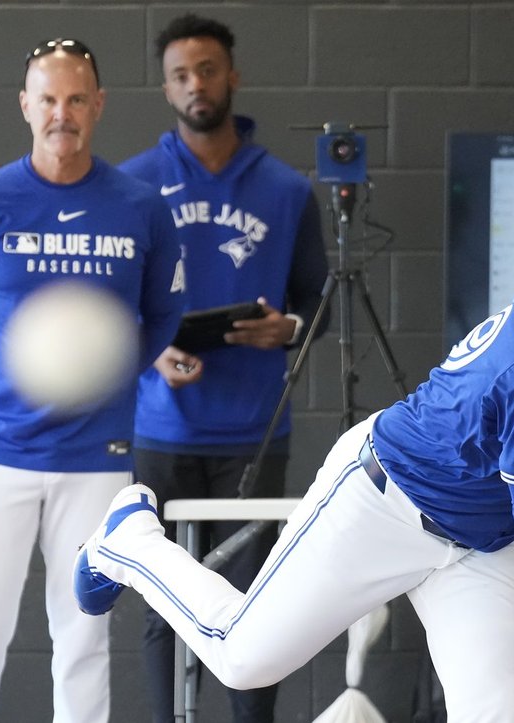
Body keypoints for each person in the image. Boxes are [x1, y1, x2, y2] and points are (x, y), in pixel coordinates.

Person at [74, 182, 514, 720]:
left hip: (484, 538)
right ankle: (128, 541)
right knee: (242, 658)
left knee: (493, 712)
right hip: (387, 503)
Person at [0, 38, 183, 723]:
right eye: (47, 99)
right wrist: (6, 388)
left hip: (95, 457)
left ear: (98, 105)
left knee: (82, 637)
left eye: (75, 99)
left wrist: (99, 382)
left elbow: (161, 315)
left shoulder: (142, 211)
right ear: (25, 106)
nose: (60, 114)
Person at [116, 13, 329, 723]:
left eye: (207, 69)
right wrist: (150, 348)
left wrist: (288, 329)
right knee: (163, 607)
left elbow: (317, 299)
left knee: (253, 612)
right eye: (180, 74)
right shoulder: (133, 185)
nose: (195, 85)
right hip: (161, 431)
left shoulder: (287, 189)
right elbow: (110, 306)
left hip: (253, 432)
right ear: (166, 88)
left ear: (231, 75)